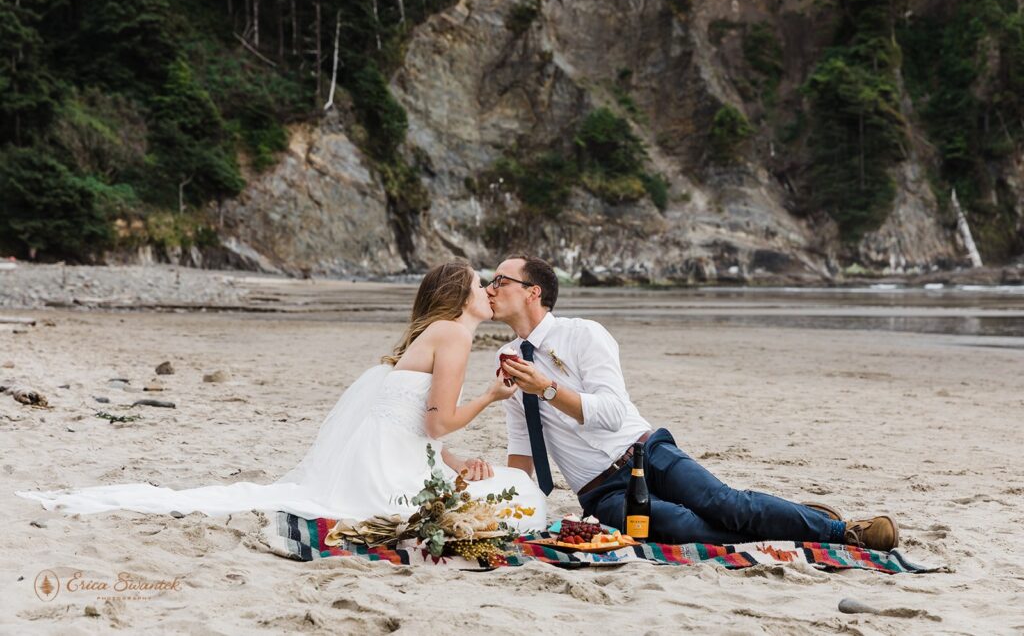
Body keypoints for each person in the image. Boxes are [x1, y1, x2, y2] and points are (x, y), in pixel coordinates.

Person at [17, 260, 546, 530]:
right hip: (386, 480)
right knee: (524, 496)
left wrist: (452, 463)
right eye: (482, 284)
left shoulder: (440, 335)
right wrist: (490, 398)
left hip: (386, 462)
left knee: (506, 488)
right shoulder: (453, 334)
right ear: (459, 298)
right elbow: (433, 423)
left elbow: (411, 426)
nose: (490, 291)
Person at [489, 254, 899, 551]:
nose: (490, 288)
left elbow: (613, 414)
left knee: (726, 505)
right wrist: (515, 510)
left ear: (533, 292)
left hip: (644, 452)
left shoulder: (584, 335)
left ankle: (842, 531)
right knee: (686, 528)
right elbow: (522, 443)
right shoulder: (505, 359)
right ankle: (795, 522)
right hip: (601, 493)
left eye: (499, 280)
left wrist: (548, 389)